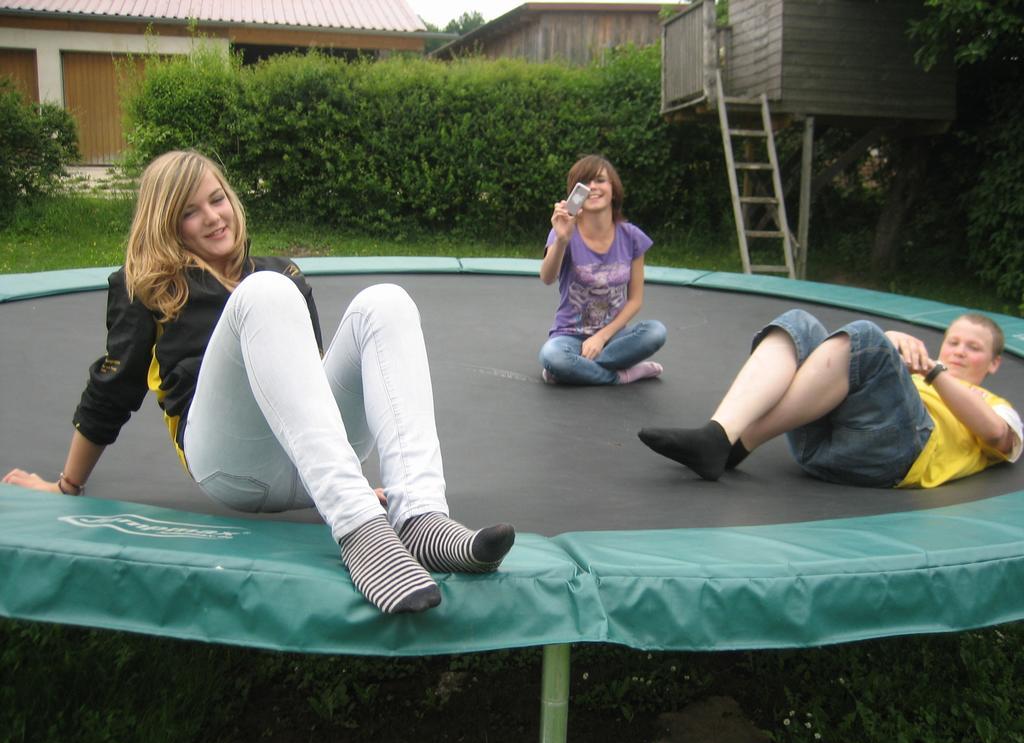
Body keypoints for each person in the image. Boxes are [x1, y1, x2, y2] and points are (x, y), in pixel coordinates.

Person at [2, 149, 514, 615]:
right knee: (262, 293)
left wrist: (345, 478)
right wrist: (66, 486)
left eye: (216, 199)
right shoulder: (149, 286)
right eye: (189, 211)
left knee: (386, 302)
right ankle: (360, 532)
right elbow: (113, 390)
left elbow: (304, 383)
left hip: (310, 469)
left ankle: (420, 518)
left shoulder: (285, 273)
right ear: (167, 224)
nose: (213, 217)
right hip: (232, 464)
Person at [638, 308, 1021, 488]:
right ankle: (722, 435)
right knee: (798, 323)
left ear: (993, 363)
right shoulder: (912, 376)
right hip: (822, 445)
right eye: (953, 342)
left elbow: (995, 436)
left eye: (973, 348)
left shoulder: (994, 402)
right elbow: (858, 369)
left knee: (867, 337)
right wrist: (894, 344)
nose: (958, 351)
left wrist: (934, 372)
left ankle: (736, 443)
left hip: (901, 456)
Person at [538, 155, 667, 385]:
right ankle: (623, 375)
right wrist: (561, 240)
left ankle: (573, 371)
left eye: (600, 180)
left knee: (656, 331)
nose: (593, 187)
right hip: (569, 335)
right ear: (574, 194)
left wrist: (601, 337)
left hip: (614, 337)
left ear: (614, 190)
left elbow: (635, 301)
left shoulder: (631, 237)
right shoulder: (564, 231)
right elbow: (547, 278)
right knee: (552, 356)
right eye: (585, 183)